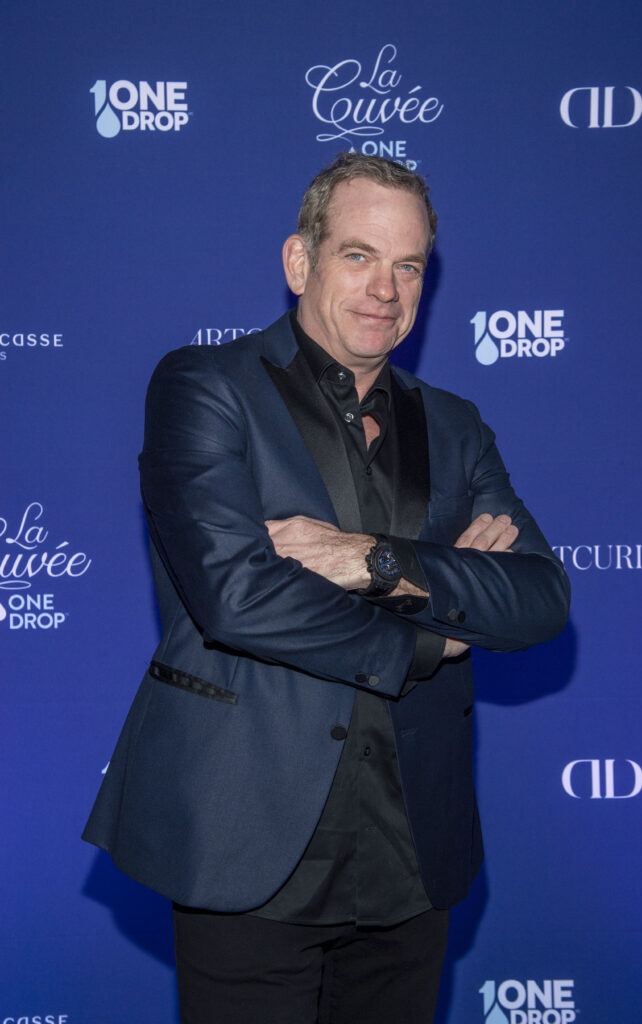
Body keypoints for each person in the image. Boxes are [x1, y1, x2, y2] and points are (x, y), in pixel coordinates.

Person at [83, 153, 570, 1023]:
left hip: (412, 850)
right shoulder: (206, 387)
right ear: (298, 260)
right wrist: (435, 631)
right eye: (358, 255)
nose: (385, 288)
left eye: (408, 265)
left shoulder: (454, 424)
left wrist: (371, 559)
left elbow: (537, 597)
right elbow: (238, 597)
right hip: (247, 836)